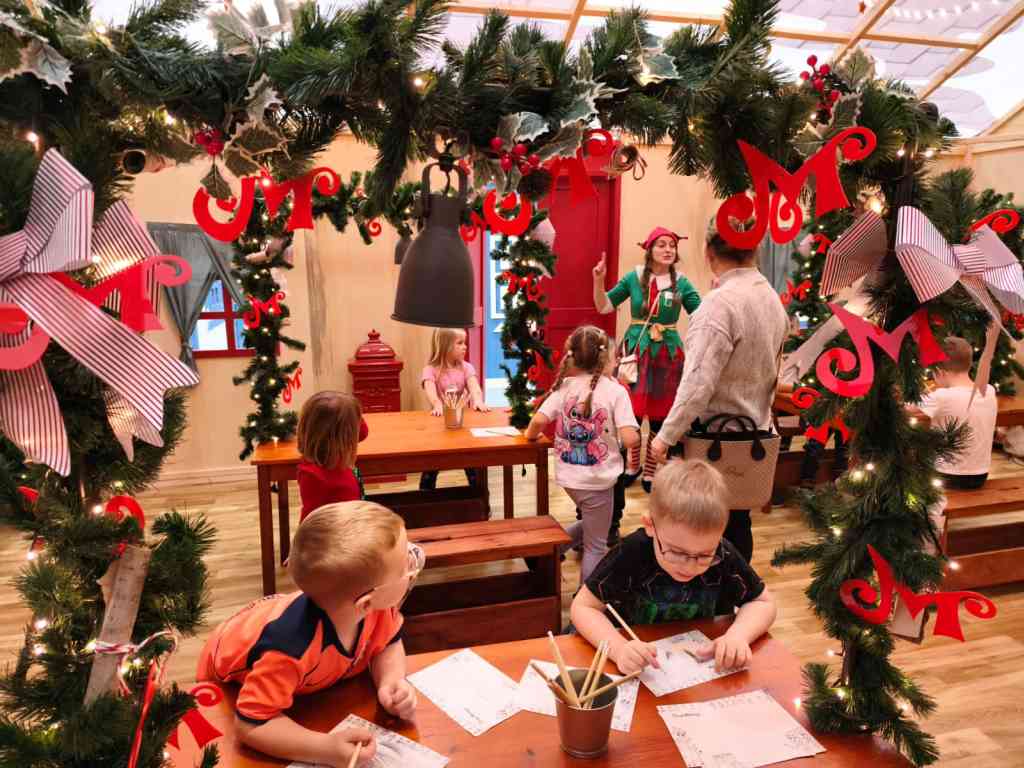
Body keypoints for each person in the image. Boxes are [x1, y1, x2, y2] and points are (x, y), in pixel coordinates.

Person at [196, 502, 422, 767]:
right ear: (365, 603)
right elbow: (251, 725)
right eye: (404, 567)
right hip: (225, 685)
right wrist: (326, 748)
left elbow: (388, 643)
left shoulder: (377, 608)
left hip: (304, 683)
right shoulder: (289, 649)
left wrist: (391, 681)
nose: (414, 561)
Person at [649, 218, 788, 562]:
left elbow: (698, 384)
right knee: (737, 522)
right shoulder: (771, 298)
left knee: (704, 526)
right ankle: (738, 588)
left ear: (709, 251)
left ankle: (717, 591)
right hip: (754, 432)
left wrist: (665, 437)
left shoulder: (719, 304)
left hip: (714, 439)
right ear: (755, 249)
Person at [570, 459, 777, 674]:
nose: (689, 566)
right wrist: (619, 649)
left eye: (704, 555)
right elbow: (583, 607)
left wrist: (738, 636)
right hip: (637, 668)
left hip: (697, 671)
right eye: (677, 552)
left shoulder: (723, 553)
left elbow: (762, 602)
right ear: (650, 525)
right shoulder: (632, 552)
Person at [525, 325, 640, 582]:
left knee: (593, 521)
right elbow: (630, 438)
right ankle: (584, 596)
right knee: (596, 545)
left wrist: (530, 437)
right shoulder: (616, 391)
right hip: (598, 481)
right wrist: (631, 437)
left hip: (569, 479)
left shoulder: (566, 386)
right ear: (606, 358)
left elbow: (538, 421)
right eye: (614, 356)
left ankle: (551, 552)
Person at [593, 227, 701, 493]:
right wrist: (598, 281)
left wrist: (717, 295)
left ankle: (651, 470)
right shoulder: (634, 276)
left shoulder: (682, 283)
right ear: (650, 249)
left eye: (672, 245)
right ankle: (633, 466)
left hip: (668, 357)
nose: (668, 249)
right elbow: (603, 306)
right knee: (631, 412)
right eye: (661, 245)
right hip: (635, 354)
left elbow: (702, 315)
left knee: (660, 416)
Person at [912, 336, 997, 489]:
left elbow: (905, 409)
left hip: (946, 475)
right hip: (979, 476)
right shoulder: (989, 391)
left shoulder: (941, 397)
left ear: (939, 371)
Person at [420, 327, 488, 490]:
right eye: (460, 343)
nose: (465, 347)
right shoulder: (430, 369)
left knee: (471, 463)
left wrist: (478, 400)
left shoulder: (466, 368)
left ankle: (478, 496)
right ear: (445, 345)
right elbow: (430, 391)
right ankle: (425, 496)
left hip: (461, 425)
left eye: (465, 343)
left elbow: (474, 387)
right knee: (431, 464)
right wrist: (437, 404)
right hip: (439, 426)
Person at [296, 391, 370, 522]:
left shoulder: (325, 459)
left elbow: (363, 432)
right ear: (345, 435)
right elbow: (313, 521)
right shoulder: (314, 476)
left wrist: (353, 409)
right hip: (336, 530)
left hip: (348, 522)